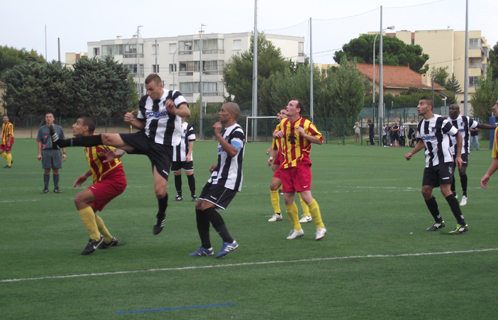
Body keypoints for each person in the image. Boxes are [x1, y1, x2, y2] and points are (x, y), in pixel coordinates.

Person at [50, 74, 190, 235]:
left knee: (159, 191)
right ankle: (62, 143)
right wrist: (132, 121)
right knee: (106, 137)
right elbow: (143, 125)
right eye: (147, 90)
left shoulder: (174, 95)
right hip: (145, 139)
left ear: (160, 86)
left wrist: (175, 110)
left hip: (163, 147)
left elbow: (187, 112)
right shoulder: (145, 101)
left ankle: (161, 214)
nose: (149, 93)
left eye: (151, 89)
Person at [405, 97, 468, 234]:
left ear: (429, 107)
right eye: (418, 103)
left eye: (421, 104)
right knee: (426, 191)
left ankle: (462, 223)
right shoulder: (421, 124)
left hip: (445, 161)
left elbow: (458, 135)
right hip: (430, 163)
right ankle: (439, 221)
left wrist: (458, 156)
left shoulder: (441, 121)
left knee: (445, 191)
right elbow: (422, 141)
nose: (418, 106)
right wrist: (412, 152)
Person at [189, 102, 244, 258]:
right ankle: (206, 247)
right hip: (218, 175)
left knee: (207, 207)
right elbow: (227, 155)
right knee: (199, 206)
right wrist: (218, 164)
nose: (219, 113)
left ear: (231, 115)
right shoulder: (227, 131)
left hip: (229, 178)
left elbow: (233, 151)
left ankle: (229, 241)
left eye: (222, 111)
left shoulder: (237, 131)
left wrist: (218, 136)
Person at [71, 117, 126, 255]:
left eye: (77, 123)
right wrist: (86, 175)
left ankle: (95, 238)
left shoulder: (99, 140)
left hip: (114, 180)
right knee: (88, 209)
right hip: (104, 180)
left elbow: (121, 149)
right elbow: (98, 162)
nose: (73, 125)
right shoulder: (86, 143)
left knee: (79, 199)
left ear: (85, 128)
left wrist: (115, 154)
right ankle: (108, 240)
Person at [274, 99, 326, 241]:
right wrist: (276, 135)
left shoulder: (306, 124)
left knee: (305, 196)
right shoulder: (283, 123)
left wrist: (304, 135)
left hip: (301, 165)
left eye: (291, 105)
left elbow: (320, 139)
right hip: (285, 166)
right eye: (288, 104)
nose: (287, 107)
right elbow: (275, 134)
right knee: (287, 198)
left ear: (298, 110)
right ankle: (297, 229)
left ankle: (320, 227)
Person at [267, 108, 312, 223]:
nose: (280, 116)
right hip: (283, 162)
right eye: (280, 114)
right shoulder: (279, 127)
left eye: (283, 113)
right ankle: (277, 213)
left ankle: (307, 215)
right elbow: (275, 144)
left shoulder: (296, 127)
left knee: (300, 189)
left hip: (295, 163)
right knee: (273, 185)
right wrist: (272, 157)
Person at [447, 104, 495, 206]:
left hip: (464, 150)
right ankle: (454, 193)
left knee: (462, 172)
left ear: (458, 111)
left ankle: (464, 195)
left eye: (453, 109)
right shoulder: (446, 122)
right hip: (450, 150)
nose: (451, 111)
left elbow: (480, 125)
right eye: (450, 109)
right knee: (450, 173)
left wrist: (495, 127)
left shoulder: (465, 120)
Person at [36, 112, 66, 193]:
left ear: (53, 118)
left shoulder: (59, 128)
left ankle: (56, 188)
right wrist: (39, 154)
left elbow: (63, 141)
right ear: (45, 119)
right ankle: (46, 188)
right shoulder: (42, 129)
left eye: (50, 117)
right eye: (47, 117)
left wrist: (64, 153)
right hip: (46, 151)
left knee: (56, 169)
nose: (48, 118)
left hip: (56, 151)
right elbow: (39, 142)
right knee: (46, 170)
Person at [172, 117, 197, 202]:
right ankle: (179, 195)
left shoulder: (188, 127)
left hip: (185, 155)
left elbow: (191, 141)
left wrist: (189, 154)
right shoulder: (172, 126)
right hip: (175, 155)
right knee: (177, 174)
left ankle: (193, 195)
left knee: (189, 174)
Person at [480, 100, 498, 190]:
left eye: (497, 104)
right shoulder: (497, 130)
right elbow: (497, 157)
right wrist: (488, 173)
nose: (494, 107)